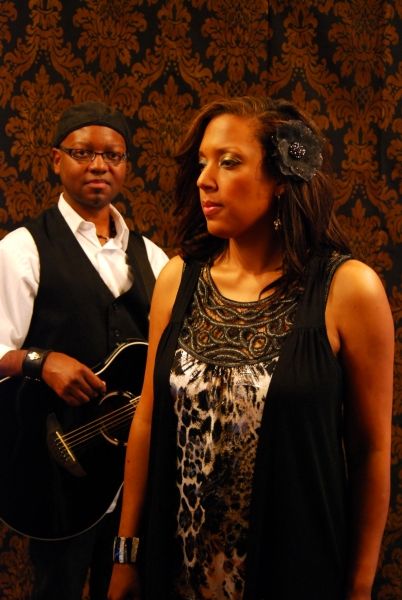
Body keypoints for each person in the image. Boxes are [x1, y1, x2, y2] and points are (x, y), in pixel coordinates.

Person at [107, 96, 394, 600]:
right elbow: (147, 422)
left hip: (294, 570)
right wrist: (126, 554)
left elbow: (370, 451)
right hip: (175, 570)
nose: (205, 179)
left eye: (229, 162)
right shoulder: (178, 279)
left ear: (282, 178)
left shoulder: (349, 290)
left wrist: (359, 586)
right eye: (203, 162)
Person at [0, 100, 168, 600]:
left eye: (112, 155)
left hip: (134, 473)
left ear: (126, 164)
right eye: (83, 153)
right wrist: (40, 362)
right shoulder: (22, 248)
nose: (99, 165)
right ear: (57, 160)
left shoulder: (153, 257)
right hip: (58, 467)